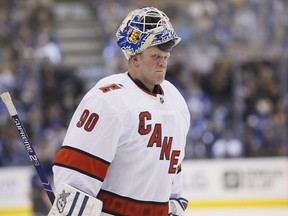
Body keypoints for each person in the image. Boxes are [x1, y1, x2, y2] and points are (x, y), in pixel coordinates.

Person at [48, 6, 190, 216]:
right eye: (155, 55)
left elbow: (173, 175)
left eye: (165, 56)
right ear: (134, 58)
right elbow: (75, 177)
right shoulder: (108, 100)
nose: (162, 63)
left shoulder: (176, 101)